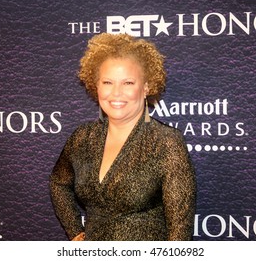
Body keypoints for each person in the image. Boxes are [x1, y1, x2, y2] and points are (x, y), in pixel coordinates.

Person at [50, 33, 196, 241]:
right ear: (96, 85)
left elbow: (180, 230)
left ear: (145, 87)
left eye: (128, 83)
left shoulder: (165, 142)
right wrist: (74, 231)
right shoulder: (82, 138)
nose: (116, 93)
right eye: (108, 82)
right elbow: (58, 183)